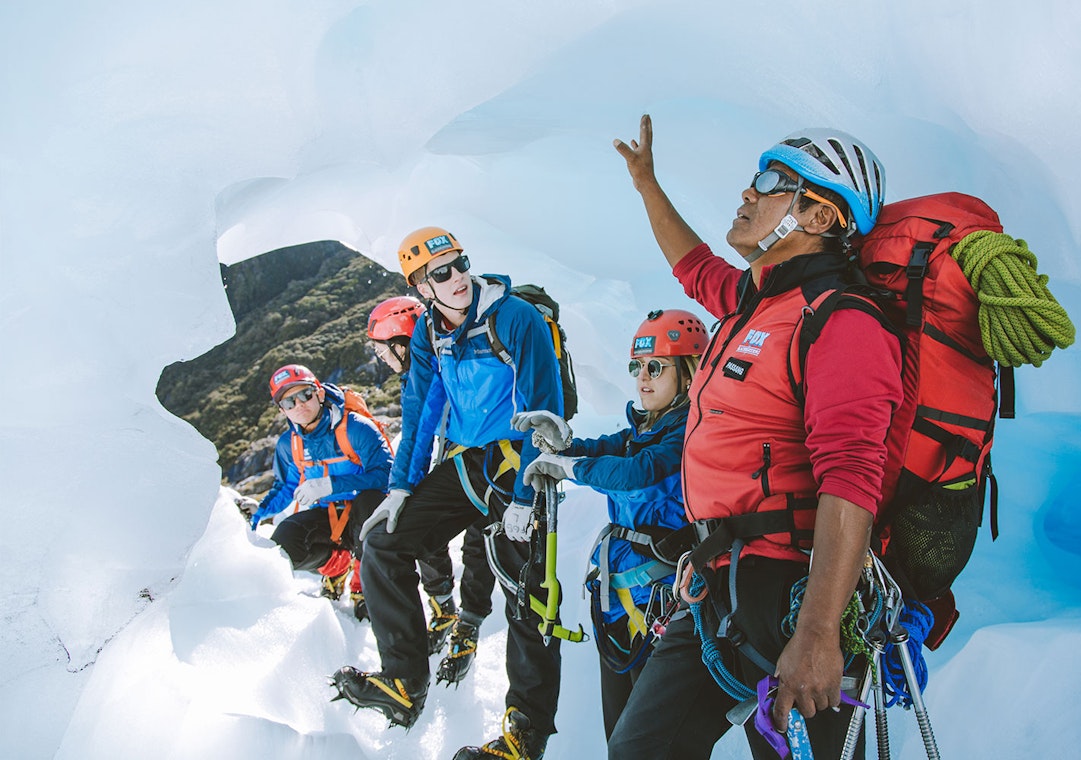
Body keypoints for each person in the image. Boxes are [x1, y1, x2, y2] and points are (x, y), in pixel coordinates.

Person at [605, 116, 903, 759]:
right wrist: (647, 185)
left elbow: (854, 474)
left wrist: (821, 632)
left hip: (795, 592)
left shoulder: (844, 320)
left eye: (772, 182)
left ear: (821, 217)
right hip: (721, 579)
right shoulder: (755, 301)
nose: (748, 192)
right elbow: (694, 268)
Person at [332, 226, 566, 760]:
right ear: (420, 285)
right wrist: (400, 489)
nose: (456, 277)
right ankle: (403, 682)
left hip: (517, 466)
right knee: (384, 544)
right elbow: (419, 411)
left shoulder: (515, 318)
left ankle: (524, 738)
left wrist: (529, 496)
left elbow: (544, 409)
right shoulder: (430, 333)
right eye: (440, 272)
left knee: (527, 595)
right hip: (467, 464)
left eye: (459, 264)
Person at [518, 308, 706, 740]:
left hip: (665, 611)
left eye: (655, 367)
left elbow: (637, 473)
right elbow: (608, 448)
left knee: (648, 745)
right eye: (637, 367)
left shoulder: (689, 432)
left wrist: (571, 468)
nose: (643, 378)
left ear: (688, 371)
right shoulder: (644, 429)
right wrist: (566, 444)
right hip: (621, 607)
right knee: (620, 738)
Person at [366, 296, 495, 669]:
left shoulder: (438, 366)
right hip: (469, 461)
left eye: (383, 351)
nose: (382, 360)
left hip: (478, 462)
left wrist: (403, 484)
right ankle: (452, 613)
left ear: (401, 342)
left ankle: (462, 621)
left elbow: (420, 430)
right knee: (451, 538)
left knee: (478, 544)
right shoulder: (429, 368)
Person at [245, 364, 393, 619]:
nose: (299, 405)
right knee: (286, 542)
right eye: (289, 402)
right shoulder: (289, 444)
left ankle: (363, 586)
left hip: (364, 509)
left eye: (304, 394)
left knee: (369, 510)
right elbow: (286, 487)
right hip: (328, 515)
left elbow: (387, 473)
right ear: (282, 411)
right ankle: (336, 568)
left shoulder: (356, 428)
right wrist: (259, 512)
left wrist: (332, 485)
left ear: (320, 393)